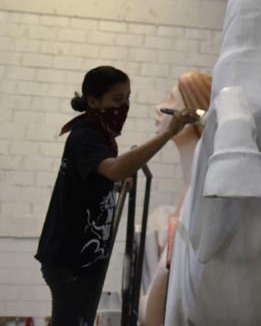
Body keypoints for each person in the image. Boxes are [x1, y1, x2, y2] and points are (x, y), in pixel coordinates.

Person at [35, 65, 198, 326]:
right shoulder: (85, 134)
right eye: (117, 99)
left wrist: (115, 184)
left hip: (84, 257)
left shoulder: (101, 136)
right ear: (93, 101)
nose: (124, 106)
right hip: (69, 258)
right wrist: (169, 133)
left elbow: (96, 177)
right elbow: (113, 168)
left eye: (128, 98)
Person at [140, 72, 213, 326]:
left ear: (194, 111)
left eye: (172, 99)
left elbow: (153, 316)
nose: (160, 108)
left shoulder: (200, 192)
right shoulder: (189, 190)